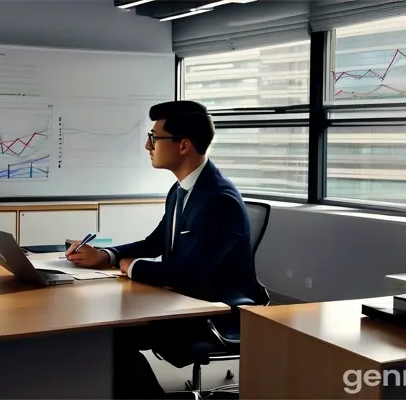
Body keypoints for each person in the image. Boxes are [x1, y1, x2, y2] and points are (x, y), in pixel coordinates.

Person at [65, 100, 268, 399]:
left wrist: (131, 267)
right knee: (103, 333)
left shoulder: (218, 199)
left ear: (183, 145)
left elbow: (192, 275)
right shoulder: (181, 189)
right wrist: (107, 255)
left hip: (216, 310)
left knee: (109, 337)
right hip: (181, 300)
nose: (148, 146)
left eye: (154, 138)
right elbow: (155, 242)